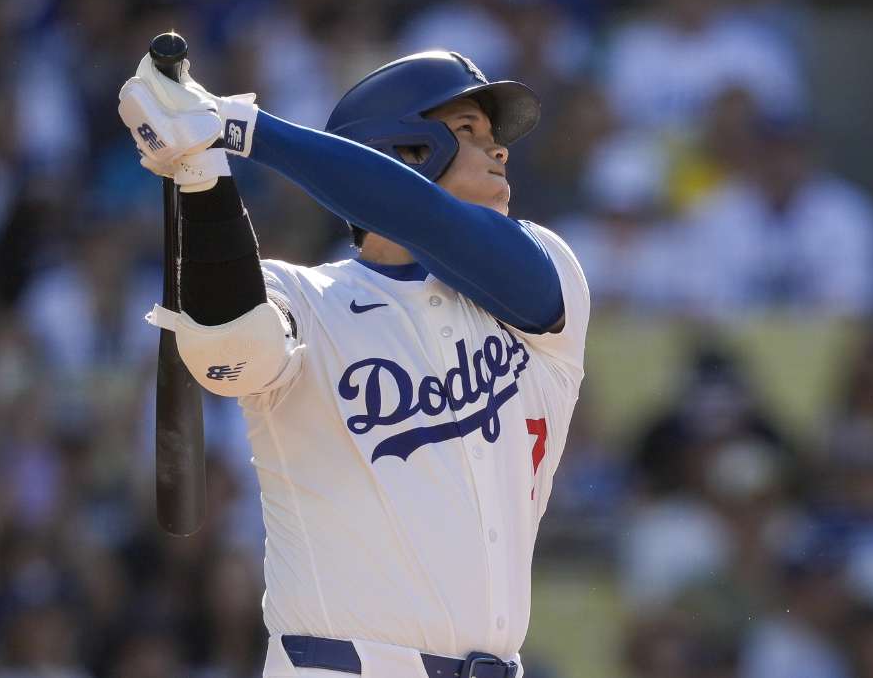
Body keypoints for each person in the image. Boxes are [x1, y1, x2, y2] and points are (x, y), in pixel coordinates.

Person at [117, 49, 589, 678]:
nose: (499, 150)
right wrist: (203, 176)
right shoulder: (305, 299)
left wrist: (240, 128)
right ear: (405, 152)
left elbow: (427, 219)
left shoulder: (546, 269)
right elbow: (232, 346)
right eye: (468, 131)